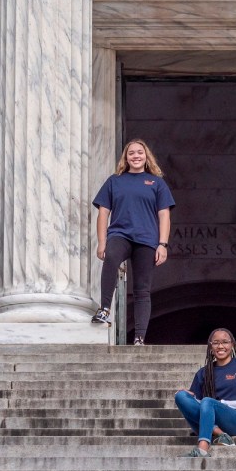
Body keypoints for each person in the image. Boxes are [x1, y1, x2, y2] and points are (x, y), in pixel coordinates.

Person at [91, 139, 174, 345]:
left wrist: (162, 244)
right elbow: (103, 213)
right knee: (111, 257)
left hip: (147, 239)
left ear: (146, 157)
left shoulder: (156, 183)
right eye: (131, 153)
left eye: (140, 152)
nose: (136, 156)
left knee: (142, 288)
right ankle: (105, 309)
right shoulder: (114, 181)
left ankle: (139, 336)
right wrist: (102, 242)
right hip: (120, 234)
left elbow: (164, 215)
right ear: (125, 158)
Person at [175, 328, 236, 458]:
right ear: (210, 346)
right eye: (216, 343)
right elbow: (198, 405)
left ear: (232, 344)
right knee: (180, 395)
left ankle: (202, 449)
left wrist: (220, 403)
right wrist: (189, 397)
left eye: (225, 342)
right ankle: (220, 434)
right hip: (207, 422)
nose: (220, 346)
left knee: (208, 401)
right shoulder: (203, 372)